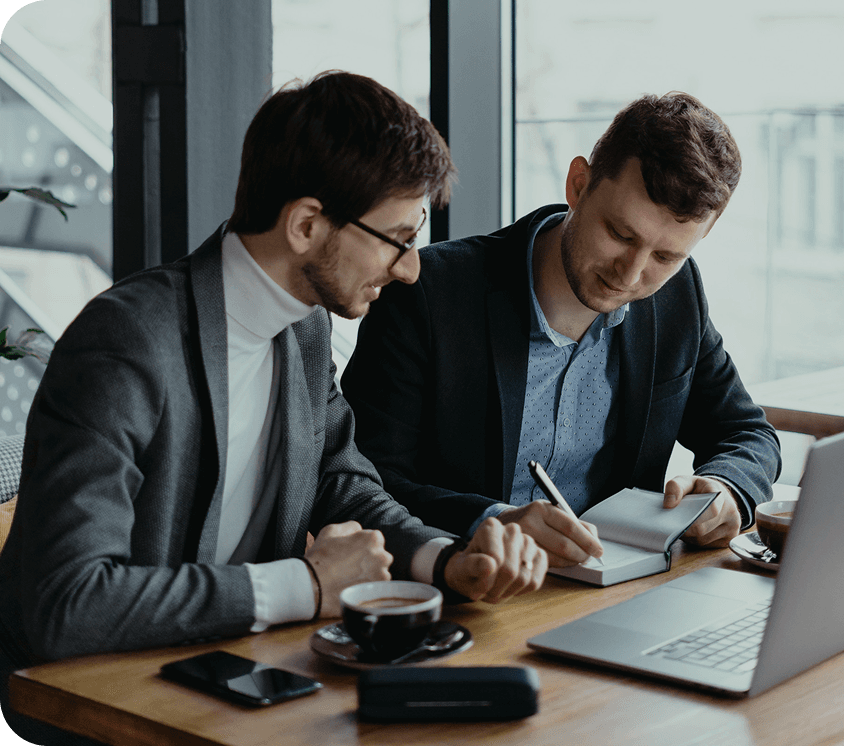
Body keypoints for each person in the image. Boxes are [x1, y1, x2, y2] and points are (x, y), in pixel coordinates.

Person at [0, 71, 546, 744]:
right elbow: (66, 607)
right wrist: (305, 587)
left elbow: (340, 483)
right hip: (109, 702)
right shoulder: (127, 340)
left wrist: (445, 560)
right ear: (307, 225)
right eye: (397, 240)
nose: (410, 269)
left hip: (235, 684)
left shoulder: (303, 326)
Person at [342, 92, 782, 569]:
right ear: (579, 184)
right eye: (620, 234)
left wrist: (726, 490)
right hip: (467, 588)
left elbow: (746, 432)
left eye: (665, 257)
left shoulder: (678, 297)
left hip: (617, 590)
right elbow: (365, 478)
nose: (631, 275)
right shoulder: (427, 295)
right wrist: (490, 520)